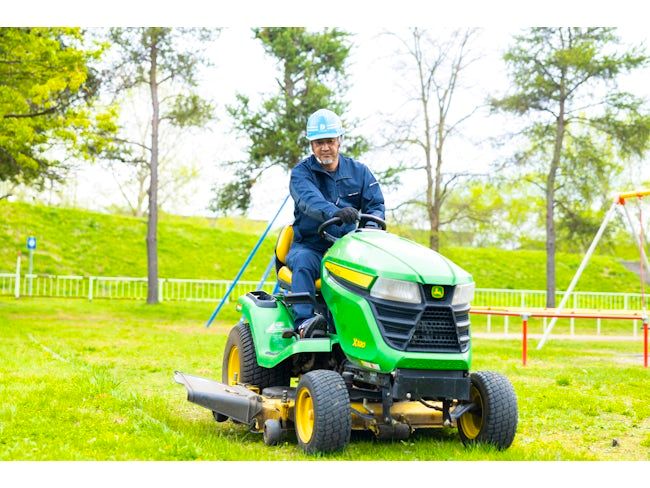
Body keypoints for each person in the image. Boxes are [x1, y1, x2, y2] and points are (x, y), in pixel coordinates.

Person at [287, 108, 385, 338]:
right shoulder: (301, 174)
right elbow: (310, 201)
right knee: (303, 262)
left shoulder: (360, 173)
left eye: (329, 141)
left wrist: (369, 231)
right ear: (311, 145)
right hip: (311, 247)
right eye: (319, 142)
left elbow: (376, 206)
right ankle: (305, 323)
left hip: (347, 249)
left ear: (339, 140)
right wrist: (336, 212)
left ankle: (374, 328)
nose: (325, 147)